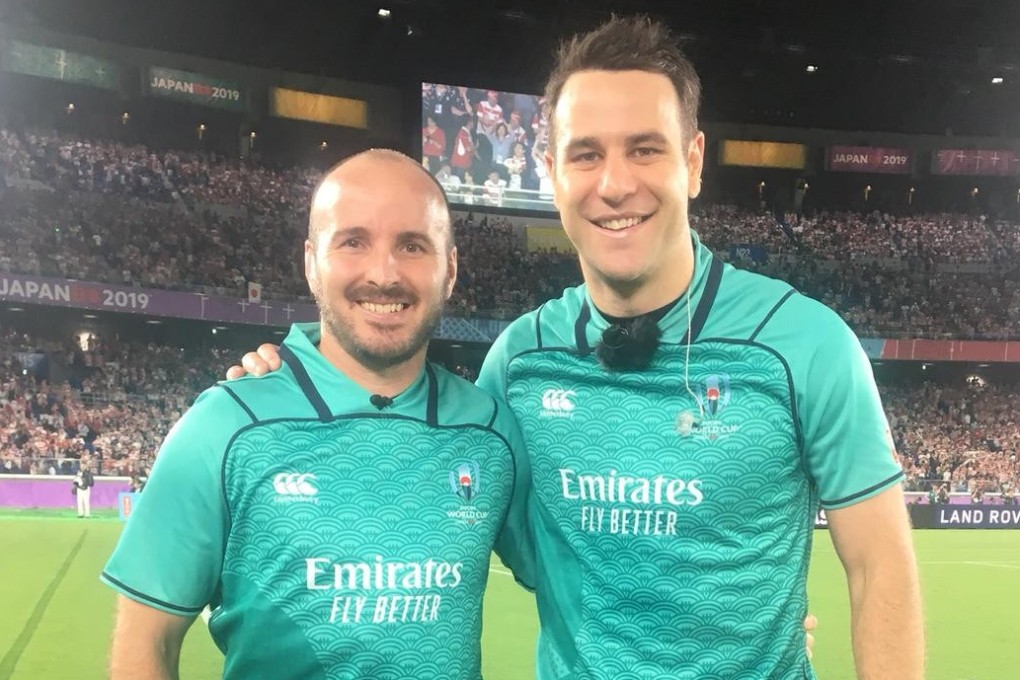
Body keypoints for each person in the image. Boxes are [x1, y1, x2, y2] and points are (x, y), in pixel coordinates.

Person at [229, 16, 898, 678]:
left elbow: (880, 567)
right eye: (586, 154)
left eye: (645, 149)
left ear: (692, 162)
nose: (614, 184)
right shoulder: (517, 366)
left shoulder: (808, 346)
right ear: (551, 173)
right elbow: (410, 486)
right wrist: (294, 388)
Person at [102, 149, 533, 680]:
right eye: (353, 241)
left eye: (413, 245)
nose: (384, 273)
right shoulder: (225, 425)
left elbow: (585, 571)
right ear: (312, 263)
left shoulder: (490, 432)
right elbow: (146, 642)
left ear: (450, 270)